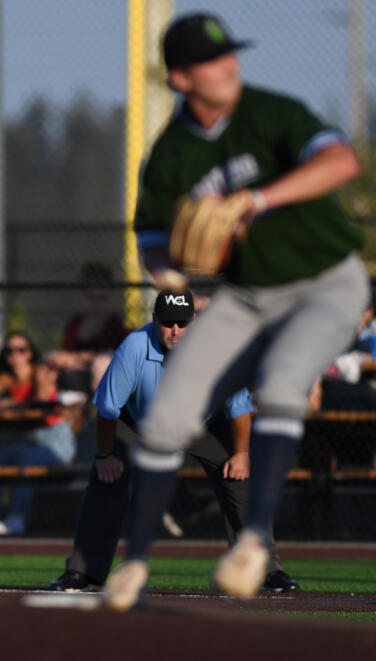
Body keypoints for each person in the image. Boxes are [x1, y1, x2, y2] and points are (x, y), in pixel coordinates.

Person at [103, 13, 369, 610]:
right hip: (245, 294)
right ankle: (136, 562)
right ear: (179, 78)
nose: (230, 66)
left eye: (231, 56)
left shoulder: (270, 111)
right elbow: (150, 236)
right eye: (211, 60)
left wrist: (257, 198)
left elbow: (341, 163)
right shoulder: (170, 154)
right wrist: (170, 274)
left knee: (279, 386)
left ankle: (252, 545)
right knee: (168, 414)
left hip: (327, 282)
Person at [47, 290, 298, 593]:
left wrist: (241, 454)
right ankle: (81, 571)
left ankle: (267, 570)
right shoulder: (134, 347)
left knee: (240, 479)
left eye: (182, 322)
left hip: (202, 423)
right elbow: (108, 409)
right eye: (168, 323)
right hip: (140, 422)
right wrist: (105, 455)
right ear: (154, 321)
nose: (175, 330)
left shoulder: (215, 349)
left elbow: (239, 408)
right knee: (106, 482)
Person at [0, 331, 77, 535]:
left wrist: (13, 403)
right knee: (1, 457)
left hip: (55, 440)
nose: (16, 356)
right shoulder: (7, 379)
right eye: (10, 351)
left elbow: (41, 400)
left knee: (25, 461)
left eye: (21, 350)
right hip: (32, 440)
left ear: (30, 353)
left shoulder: (39, 371)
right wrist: (9, 401)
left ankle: (17, 518)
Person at [46, 262, 130, 397]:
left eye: (101, 298)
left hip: (103, 367)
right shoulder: (76, 323)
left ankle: (102, 412)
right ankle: (51, 413)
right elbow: (66, 352)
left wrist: (84, 357)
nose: (96, 303)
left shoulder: (113, 323)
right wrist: (74, 358)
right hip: (78, 365)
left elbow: (117, 354)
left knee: (101, 363)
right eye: (91, 297)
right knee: (50, 362)